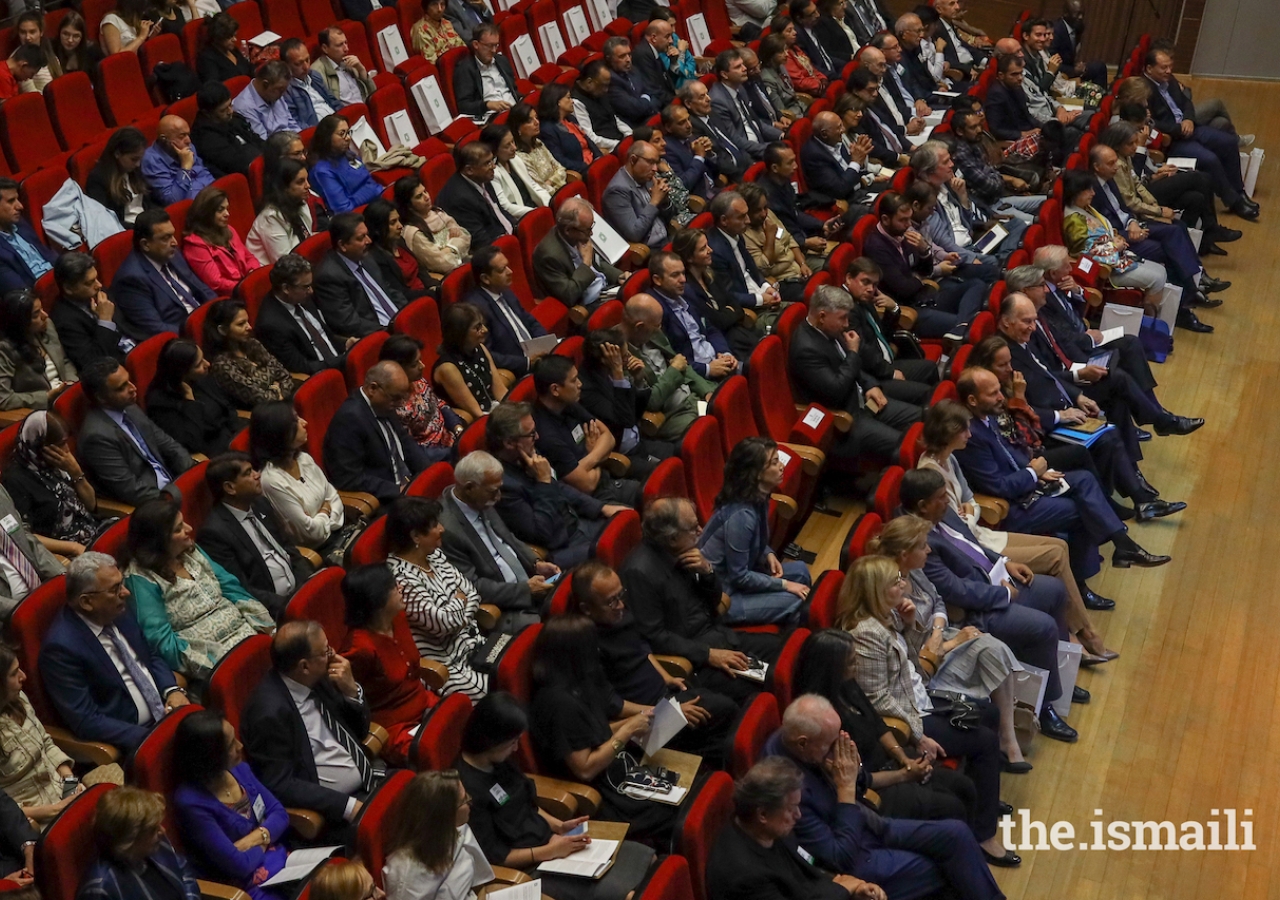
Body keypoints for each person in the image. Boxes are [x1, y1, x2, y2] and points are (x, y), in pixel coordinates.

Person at [896, 466, 1088, 745]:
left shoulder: (940, 511)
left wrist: (1004, 562)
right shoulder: (916, 538)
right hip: (976, 609)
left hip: (995, 578)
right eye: (940, 497)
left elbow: (971, 543)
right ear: (923, 506)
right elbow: (954, 590)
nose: (947, 500)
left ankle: (1059, 679)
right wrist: (1003, 596)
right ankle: (1046, 707)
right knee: (1043, 628)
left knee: (1056, 590)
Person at [918, 398, 1120, 653]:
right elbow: (954, 526)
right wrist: (969, 513)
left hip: (980, 533)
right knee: (1055, 555)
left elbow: (969, 500)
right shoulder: (931, 473)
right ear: (948, 433)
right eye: (964, 430)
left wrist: (969, 510)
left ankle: (1074, 632)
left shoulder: (950, 459)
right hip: (974, 543)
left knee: (1059, 545)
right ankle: (1083, 636)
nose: (970, 434)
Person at [762, 694, 1013, 888]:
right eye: (832, 744)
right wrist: (846, 787)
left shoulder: (812, 749)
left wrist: (903, 774)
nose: (839, 749)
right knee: (943, 867)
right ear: (803, 743)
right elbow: (839, 856)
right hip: (855, 855)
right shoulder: (787, 787)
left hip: (869, 824)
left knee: (956, 833)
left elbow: (863, 778)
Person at [863, 516, 1033, 767]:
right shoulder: (889, 589)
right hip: (923, 661)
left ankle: (1008, 739)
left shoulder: (915, 571)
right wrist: (948, 644)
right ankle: (995, 738)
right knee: (986, 649)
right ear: (903, 554)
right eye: (922, 546)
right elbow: (906, 653)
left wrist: (938, 630)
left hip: (938, 637)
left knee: (994, 648)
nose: (929, 550)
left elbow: (938, 600)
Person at [459, 692, 655, 900]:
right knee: (629, 893)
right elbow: (496, 856)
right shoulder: (467, 793)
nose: (516, 748)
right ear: (491, 741)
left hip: (555, 842)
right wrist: (548, 851)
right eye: (511, 743)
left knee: (648, 860)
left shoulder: (499, 761)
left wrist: (558, 826)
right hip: (532, 865)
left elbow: (528, 806)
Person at [792, 629, 980, 822]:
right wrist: (904, 775)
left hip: (893, 764)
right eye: (850, 662)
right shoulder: (824, 720)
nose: (856, 666)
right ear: (832, 668)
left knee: (964, 787)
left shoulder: (847, 685)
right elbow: (858, 778)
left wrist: (903, 758)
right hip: (878, 787)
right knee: (952, 807)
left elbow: (877, 723)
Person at [530, 615, 686, 845]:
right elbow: (584, 768)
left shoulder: (581, 683)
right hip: (605, 793)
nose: (597, 651)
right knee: (679, 815)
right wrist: (626, 732)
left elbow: (596, 733)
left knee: (686, 794)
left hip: (622, 769)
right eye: (590, 647)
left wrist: (636, 721)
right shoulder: (558, 705)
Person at [575, 559, 739, 762]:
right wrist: (667, 712)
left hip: (666, 697)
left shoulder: (618, 615)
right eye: (611, 601)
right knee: (725, 711)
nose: (621, 605)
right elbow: (612, 705)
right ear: (586, 609)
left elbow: (642, 648)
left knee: (730, 701)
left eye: (620, 595)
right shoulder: (587, 646)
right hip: (642, 721)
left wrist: (667, 676)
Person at [622, 496, 782, 704]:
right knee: (767, 683)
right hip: (696, 660)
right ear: (671, 538)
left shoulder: (685, 552)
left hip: (721, 636)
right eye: (693, 528)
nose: (700, 531)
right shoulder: (640, 573)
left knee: (784, 651)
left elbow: (715, 599)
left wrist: (707, 572)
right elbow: (655, 637)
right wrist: (708, 654)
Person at [241, 620, 378, 849]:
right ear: (304, 666)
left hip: (369, 780)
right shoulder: (268, 713)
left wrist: (351, 690)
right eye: (325, 651)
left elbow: (359, 731)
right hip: (333, 814)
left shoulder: (317, 678)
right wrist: (347, 806)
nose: (333, 654)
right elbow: (280, 783)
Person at [40, 552, 190, 752]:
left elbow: (151, 654)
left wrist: (172, 690)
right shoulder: (61, 649)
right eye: (115, 589)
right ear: (86, 602)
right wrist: (151, 737)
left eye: (121, 583)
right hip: (135, 738)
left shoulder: (116, 609)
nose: (126, 592)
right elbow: (86, 720)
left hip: (167, 710)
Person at [123, 498, 274, 679]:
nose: (189, 529)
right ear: (157, 541)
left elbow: (231, 588)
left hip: (248, 634)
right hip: (213, 662)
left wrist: (265, 628)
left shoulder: (189, 549)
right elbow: (161, 642)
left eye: (183, 522)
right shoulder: (141, 578)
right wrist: (219, 664)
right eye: (178, 529)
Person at [705, 757, 882, 900]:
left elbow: (805, 871)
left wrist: (853, 886)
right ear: (763, 814)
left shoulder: (772, 830)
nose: (798, 815)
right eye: (791, 808)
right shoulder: (745, 876)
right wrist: (841, 889)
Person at [789, 284, 921, 462]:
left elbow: (852, 367)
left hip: (864, 400)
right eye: (842, 318)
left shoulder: (829, 329)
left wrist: (870, 384)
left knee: (922, 417)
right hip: (846, 421)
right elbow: (836, 391)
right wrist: (853, 352)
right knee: (906, 445)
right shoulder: (806, 349)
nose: (846, 324)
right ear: (822, 316)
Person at [0, 643, 120, 832]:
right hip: (32, 821)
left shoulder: (19, 698)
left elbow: (46, 743)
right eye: (14, 674)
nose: (24, 676)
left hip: (61, 792)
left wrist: (70, 782)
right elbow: (3, 810)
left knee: (127, 815)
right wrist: (53, 810)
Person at [485, 401, 621, 567]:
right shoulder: (503, 486)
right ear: (509, 443)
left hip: (578, 523)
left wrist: (601, 508)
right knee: (619, 546)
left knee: (627, 523)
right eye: (531, 434)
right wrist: (543, 481)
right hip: (562, 548)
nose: (537, 437)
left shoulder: (526, 456)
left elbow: (561, 488)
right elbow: (544, 533)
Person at [171, 710, 290, 900]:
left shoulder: (239, 769)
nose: (240, 746)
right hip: (246, 888)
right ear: (209, 756)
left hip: (283, 864)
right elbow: (239, 865)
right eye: (231, 745)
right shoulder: (192, 803)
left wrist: (252, 839)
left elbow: (280, 814)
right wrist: (268, 835)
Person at [699, 437, 810, 625]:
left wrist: (767, 553)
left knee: (800, 570)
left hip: (740, 578)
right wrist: (785, 585)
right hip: (723, 598)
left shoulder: (758, 497)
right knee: (795, 599)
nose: (781, 466)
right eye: (774, 462)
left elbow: (751, 540)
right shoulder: (741, 516)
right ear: (757, 473)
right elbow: (739, 577)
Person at [386, 497, 488, 701]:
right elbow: (442, 624)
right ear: (415, 536)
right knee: (491, 688)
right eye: (434, 525)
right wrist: (461, 603)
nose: (442, 529)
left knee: (512, 664)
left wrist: (457, 613)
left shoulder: (435, 556)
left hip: (474, 642)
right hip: (445, 664)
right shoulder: (400, 578)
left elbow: (472, 593)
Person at [339, 564, 440, 767]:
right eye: (394, 587)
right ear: (378, 600)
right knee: (434, 752)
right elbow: (350, 704)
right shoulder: (360, 648)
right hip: (394, 728)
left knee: (463, 722)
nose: (401, 587)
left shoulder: (398, 618)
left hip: (424, 702)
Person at [437, 450, 558, 616]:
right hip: (507, 607)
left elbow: (507, 538)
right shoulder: (447, 529)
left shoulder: (480, 498)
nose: (499, 497)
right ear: (470, 488)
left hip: (530, 583)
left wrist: (535, 563)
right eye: (493, 491)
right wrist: (525, 590)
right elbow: (472, 586)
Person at [1143, 48, 1256, 219]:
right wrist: (1178, 129)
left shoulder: (1169, 79)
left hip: (1190, 127)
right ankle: (1234, 202)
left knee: (1228, 142)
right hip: (1173, 140)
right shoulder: (1143, 90)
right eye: (1164, 67)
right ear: (1149, 69)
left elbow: (1186, 101)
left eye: (1170, 66)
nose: (1169, 71)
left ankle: (1239, 191)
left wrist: (1188, 119)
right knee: (1210, 159)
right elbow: (1151, 122)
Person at [198, 452, 314, 619]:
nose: (257, 475)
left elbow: (288, 548)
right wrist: (290, 604)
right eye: (248, 473)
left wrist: (307, 584)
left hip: (299, 592)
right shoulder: (214, 533)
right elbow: (241, 588)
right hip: (273, 609)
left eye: (253, 469)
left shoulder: (260, 504)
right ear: (230, 488)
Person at [1096, 121, 1238, 254]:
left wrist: (1153, 191)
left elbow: (1136, 182)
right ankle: (1214, 226)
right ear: (1117, 145)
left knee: (1196, 199)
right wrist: (1158, 210)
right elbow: (1130, 199)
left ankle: (1198, 244)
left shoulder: (1125, 156)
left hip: (1147, 190)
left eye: (1135, 143)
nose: (1135, 146)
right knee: (1199, 178)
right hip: (1139, 204)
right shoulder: (1117, 165)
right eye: (1130, 144)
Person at [863, 192, 988, 339]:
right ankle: (962, 326)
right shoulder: (876, 247)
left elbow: (925, 270)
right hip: (911, 310)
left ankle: (961, 327)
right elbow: (903, 289)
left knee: (976, 284)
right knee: (972, 325)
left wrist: (924, 251)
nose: (908, 224)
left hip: (926, 296)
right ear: (885, 219)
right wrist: (918, 279)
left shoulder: (902, 233)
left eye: (909, 218)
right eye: (903, 220)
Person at [78, 357, 196, 505]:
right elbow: (131, 490)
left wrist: (194, 475)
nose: (133, 388)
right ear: (101, 398)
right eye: (122, 388)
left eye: (129, 381)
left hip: (172, 484)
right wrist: (173, 497)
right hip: (157, 504)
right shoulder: (96, 437)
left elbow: (168, 444)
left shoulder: (130, 407)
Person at [530, 355, 644, 508]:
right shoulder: (546, 435)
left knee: (656, 487)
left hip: (607, 479)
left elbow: (608, 437)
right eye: (574, 380)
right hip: (593, 501)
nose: (580, 384)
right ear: (555, 389)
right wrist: (598, 456)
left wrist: (588, 459)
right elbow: (587, 485)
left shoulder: (568, 404)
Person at [1060, 170, 1174, 322]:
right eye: (1088, 190)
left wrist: (1115, 239)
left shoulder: (1083, 209)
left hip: (1116, 258)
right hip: (1106, 270)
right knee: (1158, 277)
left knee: (1160, 270)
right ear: (1075, 193)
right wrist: (1114, 247)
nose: (1093, 193)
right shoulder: (1073, 220)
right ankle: (1149, 322)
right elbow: (1083, 252)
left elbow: (1101, 233)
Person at [325, 361, 433, 504]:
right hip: (385, 498)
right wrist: (397, 490)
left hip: (407, 483)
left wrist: (428, 474)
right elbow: (349, 477)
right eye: (396, 398)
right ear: (373, 389)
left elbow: (405, 441)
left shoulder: (385, 403)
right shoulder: (349, 419)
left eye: (402, 397)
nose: (401, 404)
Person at [252, 401, 348, 555]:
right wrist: (325, 508)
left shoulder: (304, 459)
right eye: (296, 420)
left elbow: (334, 497)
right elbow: (311, 534)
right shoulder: (271, 481)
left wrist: (321, 518)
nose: (305, 423)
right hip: (320, 552)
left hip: (341, 532)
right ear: (279, 432)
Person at [2, 411, 103, 557]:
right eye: (60, 444)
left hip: (92, 531)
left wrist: (76, 474)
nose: (67, 450)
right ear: (39, 445)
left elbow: (91, 505)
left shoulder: (60, 464)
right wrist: (73, 547)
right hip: (65, 551)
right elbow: (25, 536)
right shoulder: (15, 480)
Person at [577, 327, 676, 475]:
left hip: (639, 441)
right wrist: (618, 374)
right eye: (623, 356)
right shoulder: (587, 390)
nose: (629, 357)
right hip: (622, 455)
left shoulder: (608, 372)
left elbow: (636, 412)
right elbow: (625, 420)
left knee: (682, 451)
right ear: (606, 359)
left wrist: (638, 380)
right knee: (667, 473)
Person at [382, 770, 493, 900]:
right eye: (464, 800)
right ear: (444, 816)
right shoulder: (406, 877)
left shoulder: (457, 830)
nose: (470, 802)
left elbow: (478, 882)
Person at [841, 258, 938, 405]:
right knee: (925, 393)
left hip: (886, 362)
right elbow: (862, 351)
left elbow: (882, 333)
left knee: (930, 368)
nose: (870, 289)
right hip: (874, 375)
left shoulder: (864, 300)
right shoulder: (845, 307)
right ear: (849, 278)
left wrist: (893, 309)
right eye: (865, 282)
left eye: (874, 285)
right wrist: (890, 372)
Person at [620, 294, 716, 443]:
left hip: (692, 395)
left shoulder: (651, 333)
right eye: (656, 326)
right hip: (672, 414)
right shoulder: (618, 354)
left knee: (729, 402)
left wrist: (707, 391)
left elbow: (682, 363)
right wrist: (674, 370)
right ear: (639, 327)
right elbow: (650, 401)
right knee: (709, 432)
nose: (660, 329)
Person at [78, 787, 203, 900]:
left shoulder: (154, 844)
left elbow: (183, 869)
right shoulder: (101, 890)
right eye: (153, 829)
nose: (162, 831)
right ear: (129, 839)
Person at [111, 209, 217, 341]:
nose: (174, 242)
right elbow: (155, 328)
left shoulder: (171, 253)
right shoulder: (131, 279)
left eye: (172, 235)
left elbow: (200, 287)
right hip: (184, 339)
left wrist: (220, 310)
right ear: (145, 244)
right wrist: (200, 330)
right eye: (165, 238)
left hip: (205, 323)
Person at [255, 254, 352, 380]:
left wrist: (346, 343)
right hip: (320, 378)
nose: (311, 291)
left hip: (338, 362)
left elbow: (324, 335)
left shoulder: (301, 296)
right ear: (286, 288)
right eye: (306, 287)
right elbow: (302, 367)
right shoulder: (271, 325)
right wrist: (344, 360)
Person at [651, 245, 739, 381]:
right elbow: (671, 358)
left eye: (683, 273)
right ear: (657, 280)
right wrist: (708, 369)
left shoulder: (686, 292)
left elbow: (710, 329)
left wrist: (724, 353)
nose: (683, 280)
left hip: (717, 360)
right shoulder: (655, 310)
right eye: (675, 275)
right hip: (698, 377)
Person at [314, 212, 408, 337]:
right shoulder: (328, 276)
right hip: (379, 335)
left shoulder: (365, 256)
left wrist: (406, 314)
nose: (368, 241)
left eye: (367, 235)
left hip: (398, 324)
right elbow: (348, 322)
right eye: (361, 238)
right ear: (342, 245)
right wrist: (389, 331)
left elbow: (389, 290)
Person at [146, 339, 243, 458]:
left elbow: (228, 406)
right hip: (213, 452)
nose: (207, 364)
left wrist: (238, 436)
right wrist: (190, 401)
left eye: (203, 358)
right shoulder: (160, 403)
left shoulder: (200, 377)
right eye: (198, 364)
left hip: (232, 434)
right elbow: (192, 443)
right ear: (181, 372)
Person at [466, 245, 549, 379]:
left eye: (507, 266)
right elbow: (486, 353)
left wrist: (544, 344)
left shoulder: (505, 291)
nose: (510, 272)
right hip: (517, 371)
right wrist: (526, 362)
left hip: (536, 358)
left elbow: (529, 320)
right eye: (502, 270)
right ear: (485, 279)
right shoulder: (476, 309)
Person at [532, 199, 623, 316]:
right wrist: (586, 263)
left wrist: (619, 276)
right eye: (588, 230)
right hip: (588, 306)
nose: (591, 234)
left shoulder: (578, 236)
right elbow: (569, 295)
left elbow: (598, 264)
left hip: (606, 290)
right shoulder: (549, 256)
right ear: (568, 230)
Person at [379, 335, 463, 459]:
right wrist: (453, 452)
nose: (422, 366)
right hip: (435, 455)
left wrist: (457, 427)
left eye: (420, 360)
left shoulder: (418, 381)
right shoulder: (394, 407)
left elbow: (439, 404)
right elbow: (412, 450)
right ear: (397, 369)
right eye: (414, 364)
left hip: (450, 437)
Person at [49, 254, 135, 372]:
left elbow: (128, 324)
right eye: (89, 283)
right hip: (117, 368)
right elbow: (95, 362)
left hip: (135, 345)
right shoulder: (65, 321)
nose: (99, 285)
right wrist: (105, 321)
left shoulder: (98, 292)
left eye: (96, 278)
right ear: (69, 288)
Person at [0, 290, 73, 411]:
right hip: (43, 409)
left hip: (67, 395)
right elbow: (3, 399)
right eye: (36, 315)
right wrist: (46, 396)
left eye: (42, 309)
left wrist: (71, 384)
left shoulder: (46, 326)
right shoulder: (5, 350)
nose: (45, 316)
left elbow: (64, 361)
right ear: (20, 322)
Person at [433, 302, 508, 421]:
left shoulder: (480, 348)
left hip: (495, 410)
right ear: (460, 333)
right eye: (477, 328)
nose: (485, 330)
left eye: (483, 325)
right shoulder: (447, 368)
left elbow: (500, 391)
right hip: (478, 420)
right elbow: (476, 412)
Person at [436, 141, 516, 250]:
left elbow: (499, 210)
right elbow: (480, 241)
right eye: (487, 163)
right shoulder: (460, 199)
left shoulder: (482, 177)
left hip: (502, 235)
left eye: (492, 160)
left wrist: (516, 228)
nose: (493, 166)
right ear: (469, 170)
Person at [182, 189, 262, 296]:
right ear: (206, 213)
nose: (227, 214)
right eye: (220, 210)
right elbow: (216, 283)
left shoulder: (228, 230)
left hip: (246, 286)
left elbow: (249, 257)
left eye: (227, 209)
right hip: (229, 297)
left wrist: (253, 273)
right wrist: (244, 286)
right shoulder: (195, 245)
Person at [602, 141, 672, 254]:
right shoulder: (617, 191)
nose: (655, 168)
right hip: (650, 252)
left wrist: (664, 201)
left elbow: (669, 216)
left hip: (666, 238)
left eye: (656, 163)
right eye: (650, 162)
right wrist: (654, 202)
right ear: (633, 160)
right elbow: (634, 234)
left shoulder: (646, 177)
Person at [393, 176, 471, 276]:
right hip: (446, 275)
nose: (427, 197)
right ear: (408, 205)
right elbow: (443, 263)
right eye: (419, 196)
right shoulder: (414, 232)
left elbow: (466, 236)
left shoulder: (437, 212)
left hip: (464, 262)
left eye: (425, 191)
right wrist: (455, 244)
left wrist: (448, 248)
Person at [308, 116, 384, 214]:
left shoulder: (347, 153)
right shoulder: (322, 171)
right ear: (327, 137)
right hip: (356, 218)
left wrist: (369, 190)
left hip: (373, 205)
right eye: (342, 134)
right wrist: (373, 191)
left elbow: (370, 181)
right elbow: (343, 209)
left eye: (348, 132)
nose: (348, 138)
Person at [191, 82, 266, 181]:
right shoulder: (206, 138)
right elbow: (236, 164)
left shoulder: (232, 118)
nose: (230, 111)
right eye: (223, 110)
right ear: (207, 113)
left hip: (261, 163)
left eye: (230, 105)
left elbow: (254, 138)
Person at [248, 160, 318, 264]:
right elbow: (286, 263)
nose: (308, 186)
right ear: (283, 187)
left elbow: (307, 237)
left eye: (307, 180)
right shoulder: (271, 218)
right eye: (300, 182)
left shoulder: (300, 203)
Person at [86, 128, 154, 228]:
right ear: (117, 153)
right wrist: (140, 228)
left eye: (140, 158)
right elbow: (105, 220)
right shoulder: (98, 179)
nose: (138, 164)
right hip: (126, 230)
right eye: (134, 159)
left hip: (146, 225)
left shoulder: (134, 170)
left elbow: (150, 202)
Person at [143, 117, 216, 208]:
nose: (188, 140)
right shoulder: (151, 161)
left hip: (208, 199)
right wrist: (185, 168)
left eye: (188, 135)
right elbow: (173, 200)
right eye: (182, 136)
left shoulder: (187, 146)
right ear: (163, 139)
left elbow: (205, 176)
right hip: (190, 210)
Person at [480, 122, 545, 224]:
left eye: (513, 141)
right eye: (507, 146)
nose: (514, 147)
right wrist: (536, 212)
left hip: (536, 209)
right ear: (494, 150)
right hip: (521, 218)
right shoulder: (492, 173)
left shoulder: (515, 159)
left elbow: (533, 185)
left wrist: (549, 203)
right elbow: (505, 206)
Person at [364, 199, 429, 300]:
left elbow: (420, 271)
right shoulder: (376, 258)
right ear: (378, 228)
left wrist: (435, 286)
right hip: (415, 301)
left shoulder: (399, 241)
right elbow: (401, 294)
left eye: (399, 220)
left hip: (427, 292)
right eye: (393, 222)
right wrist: (433, 293)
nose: (400, 226)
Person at [453, 24, 519, 119]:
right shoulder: (465, 69)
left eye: (496, 45)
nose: (493, 50)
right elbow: (464, 106)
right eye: (489, 46)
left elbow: (514, 89)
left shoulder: (502, 61)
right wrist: (487, 105)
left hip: (515, 111)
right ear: (476, 45)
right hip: (493, 118)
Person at [0, 184, 55, 296]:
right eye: (11, 201)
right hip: (40, 297)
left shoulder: (19, 223)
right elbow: (21, 291)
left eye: (18, 199)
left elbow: (47, 253)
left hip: (59, 280)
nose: (20, 206)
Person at [538, 84, 602, 177]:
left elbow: (588, 141)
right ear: (558, 102)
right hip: (582, 170)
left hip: (592, 162)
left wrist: (599, 157)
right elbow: (559, 159)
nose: (572, 101)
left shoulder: (570, 119)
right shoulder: (547, 130)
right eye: (568, 98)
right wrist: (587, 166)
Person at [510, 103, 571, 199]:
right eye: (530, 120)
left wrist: (550, 182)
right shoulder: (519, 156)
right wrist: (557, 184)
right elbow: (540, 188)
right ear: (518, 128)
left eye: (536, 118)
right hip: (550, 199)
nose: (537, 122)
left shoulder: (538, 143)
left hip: (562, 190)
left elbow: (561, 169)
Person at [573, 58, 632, 155]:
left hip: (620, 141)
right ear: (589, 82)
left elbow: (614, 118)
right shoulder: (576, 102)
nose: (606, 90)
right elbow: (590, 137)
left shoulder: (598, 92)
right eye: (603, 85)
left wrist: (630, 136)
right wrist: (619, 145)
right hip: (609, 148)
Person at [281, 39, 341, 130]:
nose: (306, 67)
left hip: (337, 123)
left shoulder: (314, 75)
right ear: (286, 65)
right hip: (320, 133)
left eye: (307, 60)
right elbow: (295, 123)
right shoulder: (285, 91)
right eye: (298, 64)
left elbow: (333, 101)